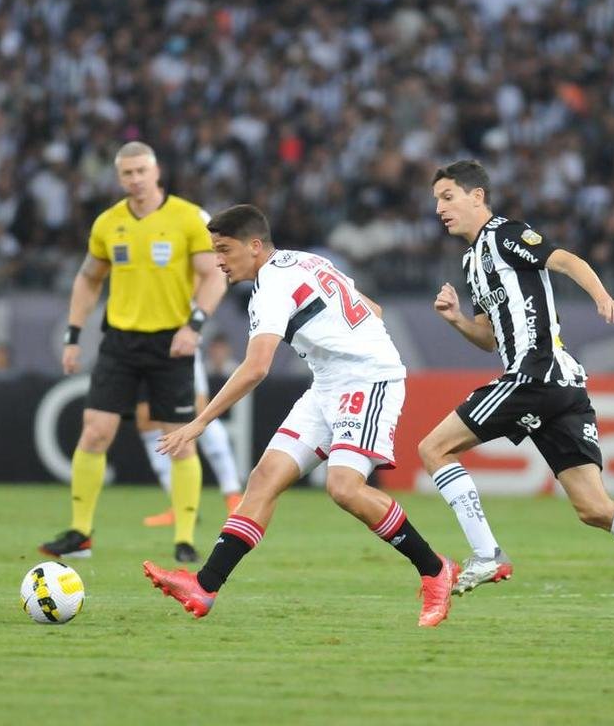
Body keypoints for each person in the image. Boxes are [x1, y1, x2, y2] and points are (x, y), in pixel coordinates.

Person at [419, 159, 614, 627]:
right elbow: (490, 336)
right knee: (594, 508)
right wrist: (458, 319)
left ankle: (486, 554)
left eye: (448, 196)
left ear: (477, 196)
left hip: (534, 375)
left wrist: (601, 296)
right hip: (560, 387)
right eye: (437, 199)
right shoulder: (471, 261)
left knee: (433, 448)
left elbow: (564, 259)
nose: (440, 207)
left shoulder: (505, 234)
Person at [142, 205, 459, 627]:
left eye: (224, 249)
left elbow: (256, 367)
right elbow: (373, 310)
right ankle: (205, 585)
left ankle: (436, 570)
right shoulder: (306, 259)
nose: (218, 261)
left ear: (255, 246)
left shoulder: (271, 288)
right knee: (264, 478)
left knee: (344, 488)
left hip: (368, 380)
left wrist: (200, 422)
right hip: (329, 382)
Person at [38, 141, 226, 564]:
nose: (135, 179)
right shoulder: (108, 223)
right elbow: (88, 280)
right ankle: (81, 532)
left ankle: (183, 538)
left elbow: (213, 275)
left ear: (156, 171)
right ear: (118, 177)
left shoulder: (189, 218)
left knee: (178, 442)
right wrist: (73, 335)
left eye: (142, 171)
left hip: (171, 342)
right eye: (127, 173)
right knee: (94, 432)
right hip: (120, 342)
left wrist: (194, 324)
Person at [139, 344, 244, 527]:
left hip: (179, 348)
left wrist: (193, 326)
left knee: (201, 412)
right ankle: (179, 505)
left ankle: (233, 497)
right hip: (141, 350)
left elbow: (203, 313)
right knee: (146, 421)